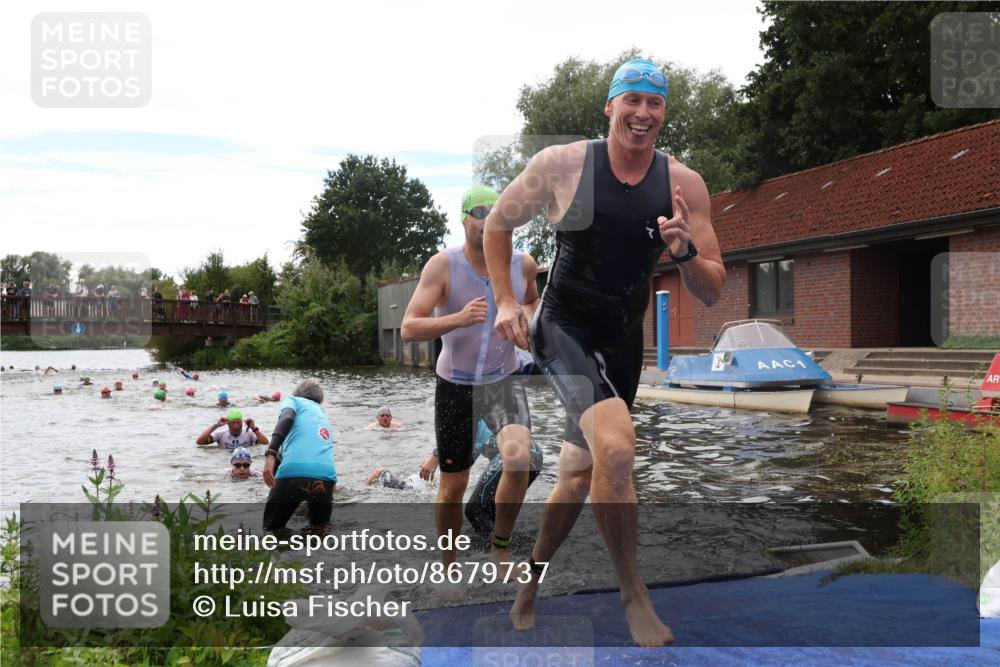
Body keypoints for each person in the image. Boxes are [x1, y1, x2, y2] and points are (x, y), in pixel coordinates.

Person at [482, 58, 725, 647]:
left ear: (664, 112)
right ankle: (633, 594)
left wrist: (684, 252)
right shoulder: (562, 164)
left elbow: (713, 290)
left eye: (655, 103)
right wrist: (507, 300)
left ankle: (529, 585)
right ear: (610, 107)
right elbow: (496, 225)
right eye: (632, 100)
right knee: (617, 451)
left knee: (576, 476)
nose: (643, 113)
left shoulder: (684, 184)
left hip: (621, 341)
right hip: (564, 328)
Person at [401, 184, 540, 565]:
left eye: (498, 213)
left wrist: (527, 318)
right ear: (464, 219)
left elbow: (531, 298)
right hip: (455, 385)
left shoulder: (523, 265)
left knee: (520, 459)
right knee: (452, 487)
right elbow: (409, 327)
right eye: (481, 213)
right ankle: (448, 566)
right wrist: (458, 319)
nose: (489, 220)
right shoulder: (443, 265)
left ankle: (500, 550)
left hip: (503, 379)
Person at [418, 419, 544, 535]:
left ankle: (499, 547)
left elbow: (463, 433)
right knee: (490, 510)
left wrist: (436, 455)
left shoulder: (468, 419)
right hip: (534, 455)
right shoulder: (477, 423)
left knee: (475, 510)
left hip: (515, 455)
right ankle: (504, 540)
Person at [262, 378, 336, 533]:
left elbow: (287, 417)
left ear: (297, 393)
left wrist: (270, 453)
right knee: (318, 531)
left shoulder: (293, 401)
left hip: (293, 473)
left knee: (272, 530)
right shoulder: (321, 414)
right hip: (326, 477)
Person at [196, 410, 268, 450]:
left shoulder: (249, 434)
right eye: (233, 423)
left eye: (238, 422)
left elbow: (265, 444)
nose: (236, 426)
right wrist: (215, 425)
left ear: (242, 423)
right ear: (228, 423)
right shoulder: (221, 434)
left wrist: (254, 428)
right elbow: (199, 442)